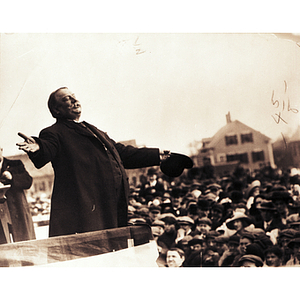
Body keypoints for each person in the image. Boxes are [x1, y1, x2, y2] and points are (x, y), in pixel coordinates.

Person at [16, 87, 175, 238]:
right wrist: (38, 148)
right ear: (57, 110)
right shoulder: (53, 132)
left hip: (111, 207)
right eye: (67, 99)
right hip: (85, 213)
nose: (75, 101)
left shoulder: (94, 130)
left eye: (74, 97)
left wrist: (157, 155)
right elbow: (47, 148)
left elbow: (122, 153)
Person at [0, 146, 36, 242]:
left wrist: (12, 177)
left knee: (24, 241)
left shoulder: (15, 164)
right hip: (1, 214)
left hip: (17, 210)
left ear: (1, 150)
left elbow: (28, 181)